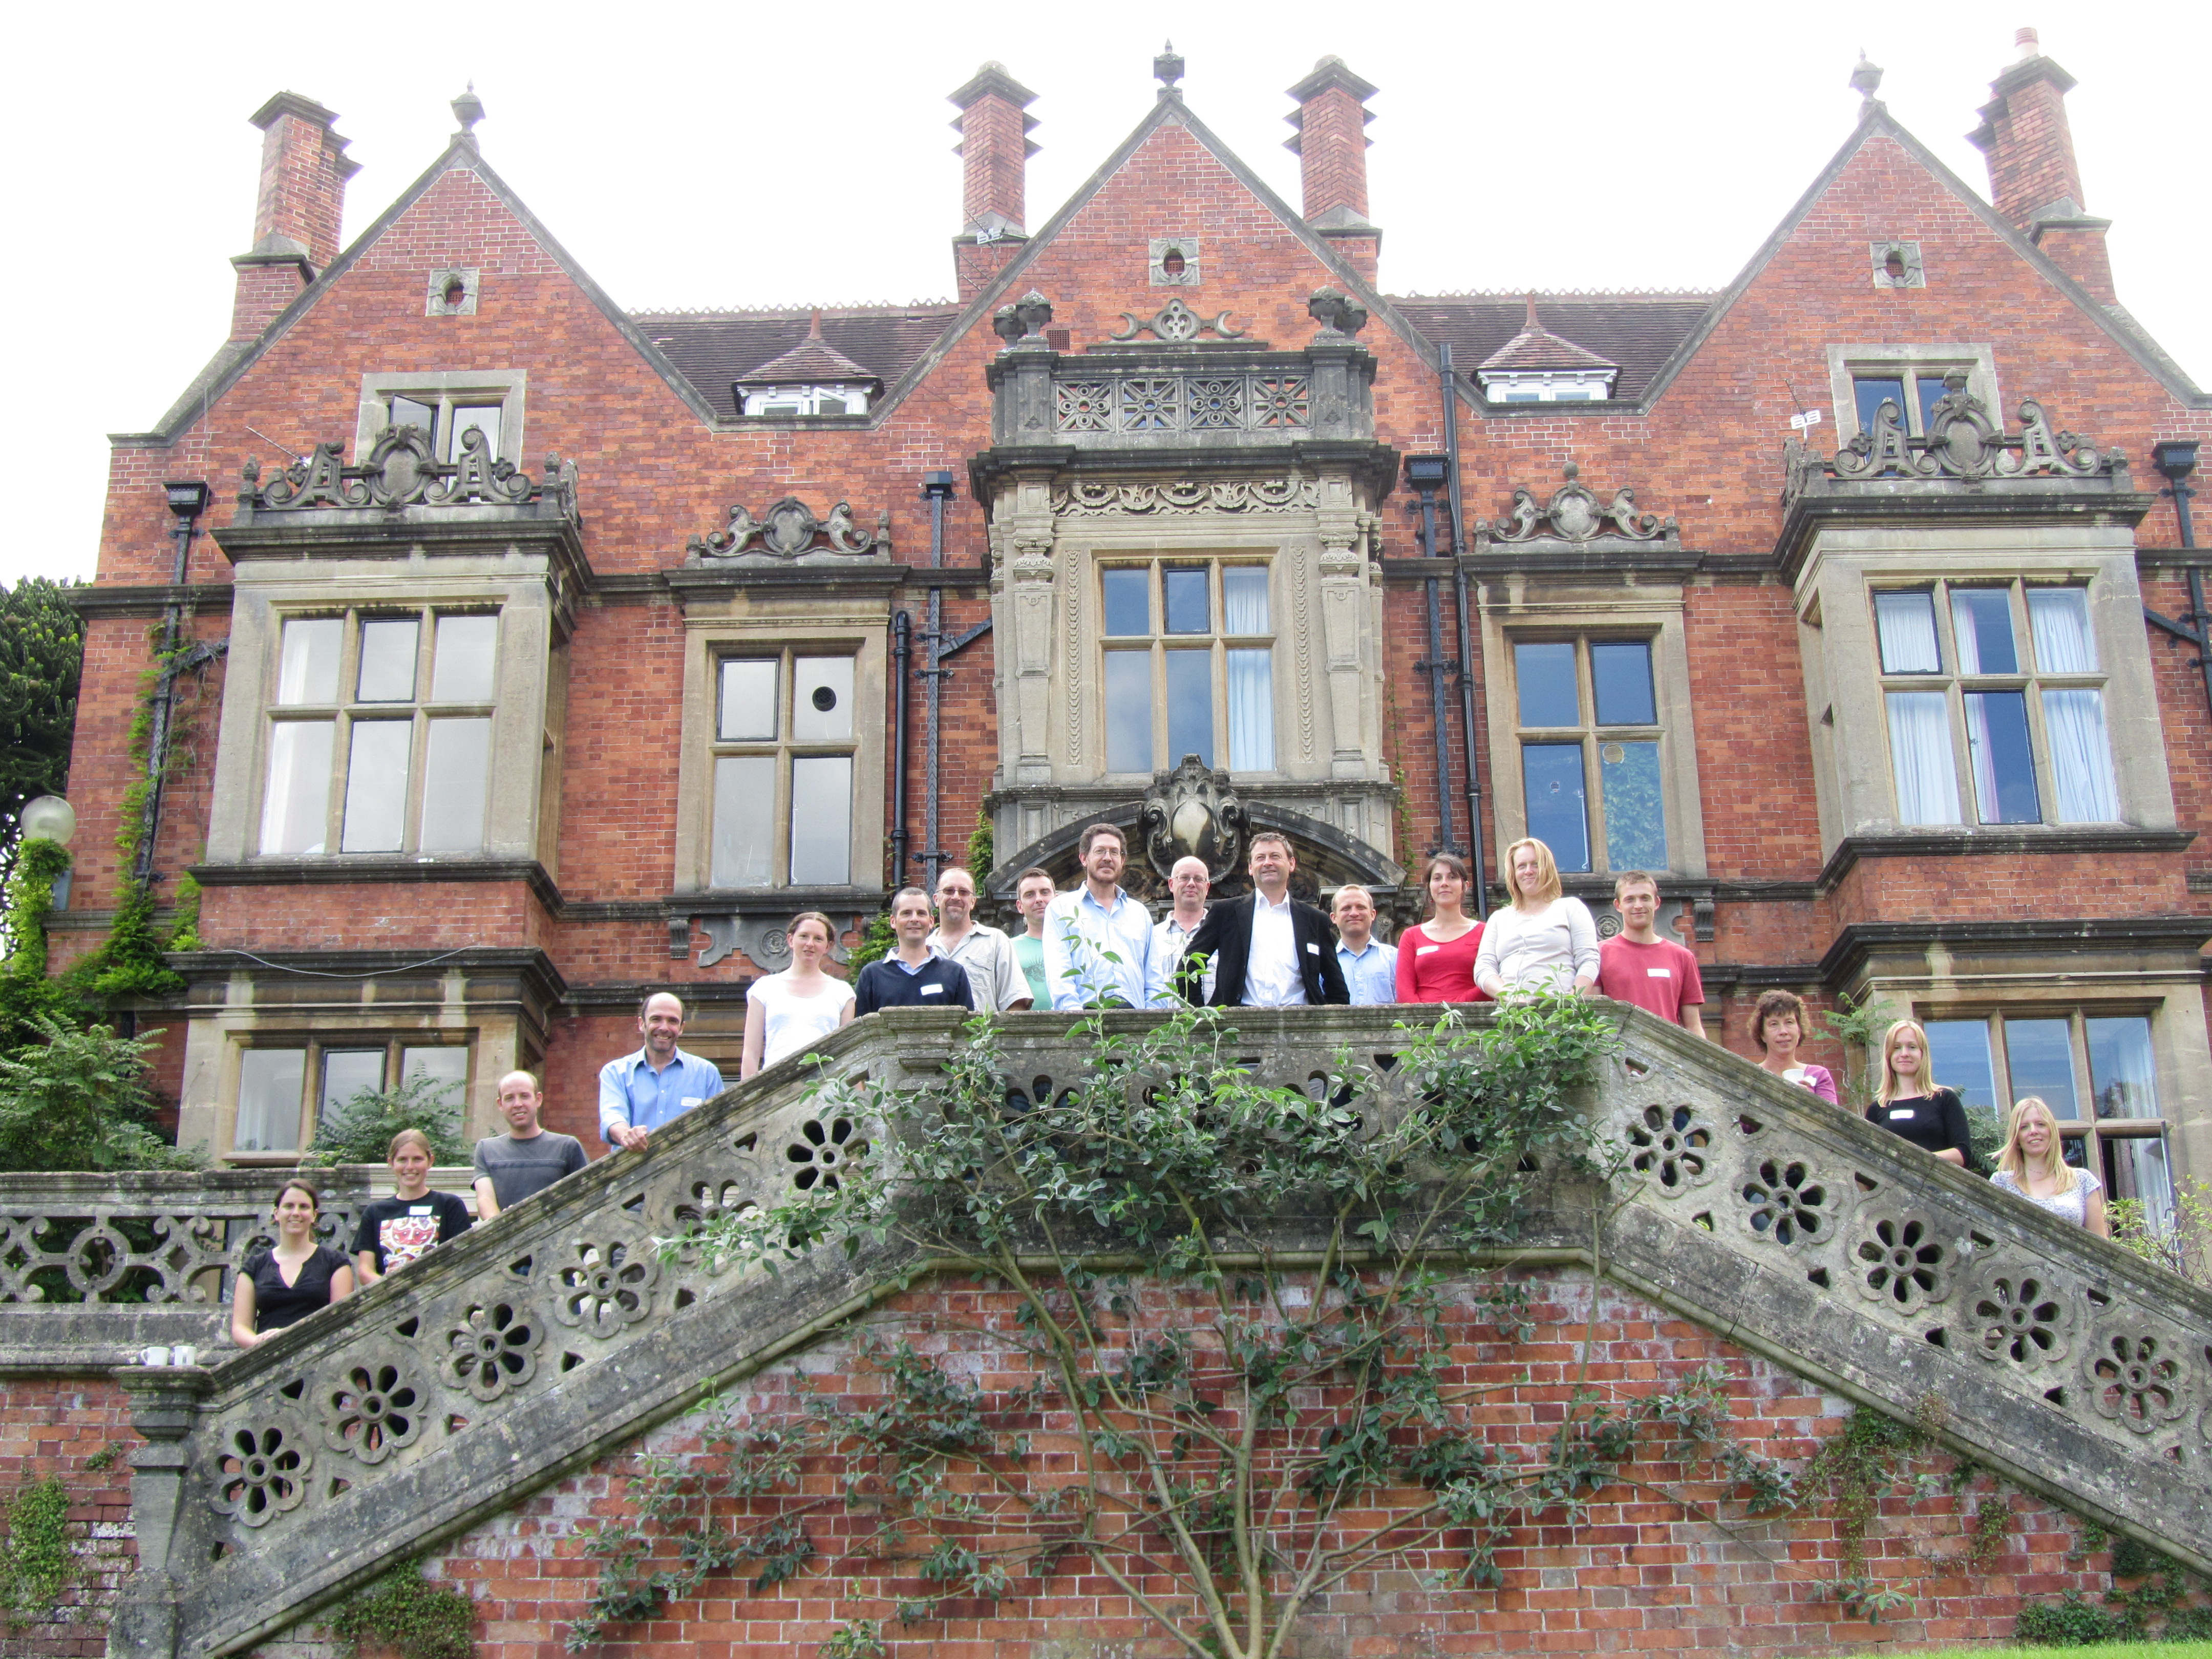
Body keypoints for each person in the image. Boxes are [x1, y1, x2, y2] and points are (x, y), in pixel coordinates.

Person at [1178, 834, 1349, 1007]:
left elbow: (1336, 987)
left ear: (1291, 864)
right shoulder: (1226, 913)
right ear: (1251, 868)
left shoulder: (1315, 919)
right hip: (1236, 1025)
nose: (1268, 863)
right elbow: (1188, 966)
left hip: (1299, 1025)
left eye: (1275, 856)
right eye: (1260, 858)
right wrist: (1199, 1017)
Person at [1044, 823, 1171, 1010]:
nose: (1107, 858)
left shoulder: (1139, 913)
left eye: (1114, 852)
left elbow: (1153, 977)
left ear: (1123, 860)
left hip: (1136, 1020)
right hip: (1085, 1018)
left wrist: (1151, 1021)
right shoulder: (1061, 909)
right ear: (1084, 858)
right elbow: (1060, 972)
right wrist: (1074, 1020)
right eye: (1100, 851)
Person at [230, 1179, 354, 1346]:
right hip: (267, 1358)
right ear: (276, 1213)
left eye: (303, 1207)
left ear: (314, 1215)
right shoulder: (254, 1266)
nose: (296, 1213)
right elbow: (240, 1328)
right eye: (289, 1206)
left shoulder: (335, 1263)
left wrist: (289, 1338)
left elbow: (340, 1322)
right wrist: (260, 1343)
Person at [599, 992, 726, 1152]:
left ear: (681, 1028)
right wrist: (627, 1135)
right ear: (642, 1024)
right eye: (656, 1019)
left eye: (672, 1021)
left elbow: (720, 1124)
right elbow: (612, 1116)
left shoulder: (707, 1073)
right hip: (634, 1172)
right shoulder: (616, 1072)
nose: (664, 1027)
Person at [1474, 838, 1600, 998]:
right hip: (1514, 1015)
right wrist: (1511, 998)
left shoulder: (1570, 908)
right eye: (1521, 866)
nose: (1528, 871)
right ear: (1513, 873)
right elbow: (1484, 969)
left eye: (1536, 864)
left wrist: (1571, 1001)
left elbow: (1589, 960)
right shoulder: (1499, 919)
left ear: (1548, 868)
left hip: (1561, 1012)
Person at [741, 911, 857, 1079]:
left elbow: (848, 1054)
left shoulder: (842, 992)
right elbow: (750, 1055)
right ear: (790, 940)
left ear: (828, 946)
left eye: (818, 939)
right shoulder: (764, 988)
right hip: (776, 1090)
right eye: (804, 936)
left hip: (824, 1090)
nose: (810, 944)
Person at [353, 1129, 473, 1282]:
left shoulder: (449, 1205)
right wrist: (387, 1283)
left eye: (417, 1159)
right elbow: (364, 1271)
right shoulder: (374, 1212)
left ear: (430, 1161)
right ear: (391, 1162)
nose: (410, 1167)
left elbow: (463, 1258)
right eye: (402, 1160)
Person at [1595, 871, 1706, 1036]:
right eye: (1630, 899)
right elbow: (1593, 1018)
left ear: (1657, 903)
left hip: (1665, 1058)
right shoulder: (1599, 954)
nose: (1638, 905)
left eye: (1645, 898)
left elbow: (1693, 1027)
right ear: (1618, 905)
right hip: (1617, 1057)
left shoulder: (1682, 957)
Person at [471, 1070, 589, 1219]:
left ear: (538, 1099)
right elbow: (485, 1199)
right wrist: (501, 1224)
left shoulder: (567, 1146)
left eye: (525, 1096)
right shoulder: (487, 1149)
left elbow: (586, 1196)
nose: (518, 1104)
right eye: (509, 1099)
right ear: (500, 1104)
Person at [1866, 1019, 1977, 1168]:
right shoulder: (1877, 1108)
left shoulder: (1944, 1099)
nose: (1904, 1054)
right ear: (1888, 1055)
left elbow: (1963, 1153)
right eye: (1897, 1048)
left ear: (1922, 1053)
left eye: (1912, 1047)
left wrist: (1914, 1159)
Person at [1992, 1096, 2108, 1236]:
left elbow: (2100, 1246)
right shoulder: (2001, 1183)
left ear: (2051, 1131)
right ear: (2016, 1138)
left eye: (2040, 1124)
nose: (2033, 1131)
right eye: (2024, 1127)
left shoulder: (2082, 1180)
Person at [854, 887, 977, 1015]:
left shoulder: (954, 973)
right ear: (893, 921)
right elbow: (860, 1029)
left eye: (921, 913)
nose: (914, 919)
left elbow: (967, 1030)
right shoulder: (872, 975)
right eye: (906, 913)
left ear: (931, 922)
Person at [926, 867, 1032, 1014]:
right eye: (949, 891)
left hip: (982, 1036)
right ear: (936, 899)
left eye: (964, 892)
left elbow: (1016, 1002)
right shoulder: (924, 949)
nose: (956, 897)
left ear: (973, 902)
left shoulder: (995, 941)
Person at [1393, 854, 1489, 1004]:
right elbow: (1404, 992)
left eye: (1452, 877)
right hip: (1423, 1024)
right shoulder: (1411, 936)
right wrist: (1427, 1018)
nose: (1444, 883)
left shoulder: (1485, 933)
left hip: (1471, 1020)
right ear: (1429, 887)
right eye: (1437, 878)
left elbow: (1490, 980)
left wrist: (1453, 1010)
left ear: (1465, 886)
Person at [1748, 989, 1838, 1104]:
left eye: (1789, 1022)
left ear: (1799, 1030)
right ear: (1762, 1035)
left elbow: (1833, 1120)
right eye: (1774, 1024)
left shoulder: (1819, 1076)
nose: (1783, 1031)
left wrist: (1812, 1103)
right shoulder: (1751, 1076)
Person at [1154, 855, 1216, 1003]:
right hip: (1166, 1024)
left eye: (1199, 879)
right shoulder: (1153, 937)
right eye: (1184, 878)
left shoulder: (1222, 936)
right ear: (1171, 884)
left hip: (1212, 1024)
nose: (1191, 884)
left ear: (1207, 887)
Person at [1331, 885, 1398, 1006]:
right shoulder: (1326, 963)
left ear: (1373, 915)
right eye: (1346, 908)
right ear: (1334, 917)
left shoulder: (1394, 958)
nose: (1354, 913)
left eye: (1361, 907)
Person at [1010, 867, 1056, 1007]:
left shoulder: (1074, 944)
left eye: (1045, 892)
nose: (1039, 899)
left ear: (1057, 899)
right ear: (1020, 906)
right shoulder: (1008, 948)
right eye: (1030, 895)